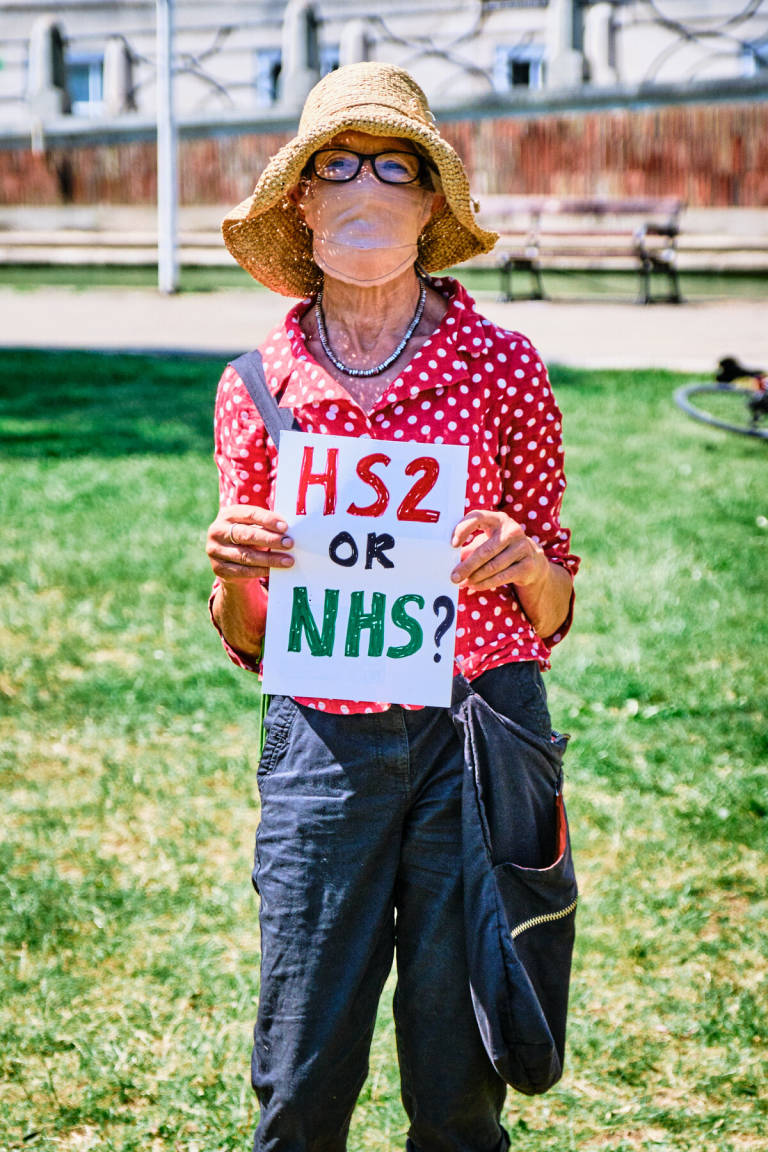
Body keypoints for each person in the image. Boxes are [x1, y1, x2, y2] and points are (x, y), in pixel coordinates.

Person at [206, 62, 579, 1152]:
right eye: (337, 165)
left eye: (395, 165)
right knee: (303, 1065)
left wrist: (521, 562)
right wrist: (234, 572)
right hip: (324, 742)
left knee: (460, 1075)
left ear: (429, 204)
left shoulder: (505, 368)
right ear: (301, 203)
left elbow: (553, 604)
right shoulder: (256, 385)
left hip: (479, 730)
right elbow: (254, 637)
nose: (365, 184)